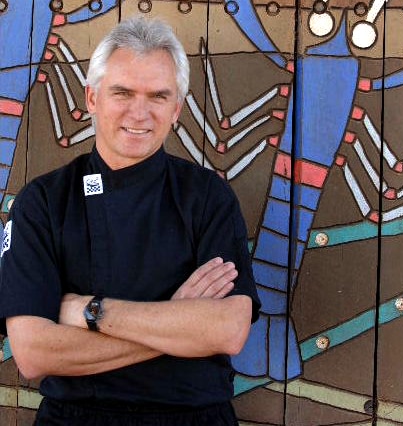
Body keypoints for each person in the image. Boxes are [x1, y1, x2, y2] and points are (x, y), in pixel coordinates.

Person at [0, 16, 260, 425]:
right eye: (122, 92)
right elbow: (33, 354)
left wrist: (92, 313)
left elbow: (226, 331)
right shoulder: (44, 202)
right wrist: (178, 323)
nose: (139, 113)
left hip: (193, 418)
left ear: (176, 108)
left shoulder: (207, 197)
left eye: (158, 96)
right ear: (92, 98)